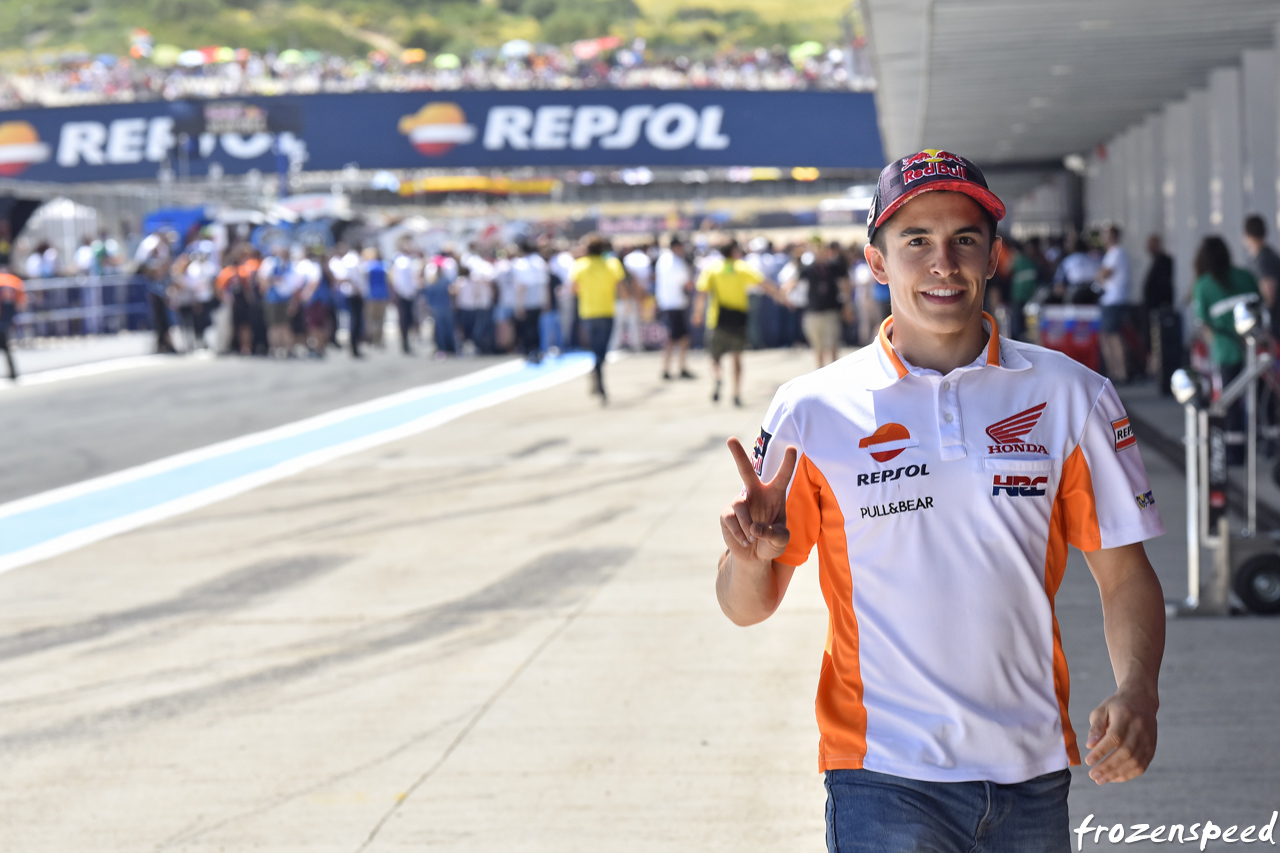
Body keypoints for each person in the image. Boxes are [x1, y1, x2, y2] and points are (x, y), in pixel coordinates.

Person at [717, 149, 1166, 853]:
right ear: (876, 261)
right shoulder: (812, 410)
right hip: (881, 775)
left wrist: (1138, 687)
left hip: (1033, 768)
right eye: (916, 241)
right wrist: (749, 558)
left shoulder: (1070, 394)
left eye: (964, 239)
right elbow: (748, 604)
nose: (942, 263)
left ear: (994, 257)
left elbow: (1123, 572)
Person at [1192, 235, 1260, 465]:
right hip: (1257, 350)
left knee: (1229, 402)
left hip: (1226, 351)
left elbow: (1204, 323)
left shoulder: (1203, 285)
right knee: (1262, 400)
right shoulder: (1246, 276)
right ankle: (1267, 444)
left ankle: (1234, 452)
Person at [694, 239, 763, 406]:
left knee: (714, 357)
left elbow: (702, 293)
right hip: (738, 319)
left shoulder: (712, 269)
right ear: (734, 252)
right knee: (737, 359)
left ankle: (718, 377)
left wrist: (697, 314)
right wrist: (780, 296)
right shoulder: (741, 268)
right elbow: (762, 283)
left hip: (717, 319)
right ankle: (736, 393)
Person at [570, 235, 626, 403]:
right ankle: (599, 377)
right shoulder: (611, 264)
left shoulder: (580, 266)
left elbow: (574, 289)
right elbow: (620, 286)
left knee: (596, 347)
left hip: (588, 311)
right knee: (603, 348)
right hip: (606, 310)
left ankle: (597, 373)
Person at [798, 240, 852, 369]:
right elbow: (797, 284)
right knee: (818, 346)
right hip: (813, 311)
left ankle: (833, 372)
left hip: (831, 310)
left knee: (833, 344)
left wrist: (847, 304)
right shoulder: (808, 269)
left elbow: (844, 284)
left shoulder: (834, 267)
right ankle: (820, 371)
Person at [655, 236, 696, 380]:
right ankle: (673, 368)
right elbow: (689, 284)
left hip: (666, 303)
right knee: (676, 338)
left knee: (677, 337)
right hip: (676, 304)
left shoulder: (663, 259)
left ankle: (674, 367)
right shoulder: (677, 263)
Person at [1096, 225, 1131, 384]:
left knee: (1113, 337)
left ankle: (1120, 372)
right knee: (1107, 337)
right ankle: (1114, 372)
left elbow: (1103, 274)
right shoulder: (1112, 254)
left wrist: (1100, 275)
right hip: (1110, 299)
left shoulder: (1116, 253)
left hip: (1114, 299)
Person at [1243, 214, 1280, 343]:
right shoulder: (1265, 257)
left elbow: (1268, 295)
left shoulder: (1264, 260)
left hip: (1274, 329)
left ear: (1246, 235)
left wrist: (1257, 322)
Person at [511, 241, 549, 363]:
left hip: (527, 299)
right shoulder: (540, 262)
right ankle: (537, 351)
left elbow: (522, 286)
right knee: (536, 326)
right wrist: (546, 301)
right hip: (539, 297)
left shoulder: (521, 263)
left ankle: (529, 351)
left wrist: (519, 305)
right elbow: (545, 284)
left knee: (527, 327)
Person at [390, 244, 422, 355]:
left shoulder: (404, 261)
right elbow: (402, 281)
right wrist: (406, 293)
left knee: (407, 319)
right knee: (405, 319)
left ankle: (406, 343)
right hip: (405, 295)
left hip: (406, 294)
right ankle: (405, 343)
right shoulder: (403, 262)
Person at [362, 247, 390, 350]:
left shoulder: (367, 266)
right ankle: (379, 339)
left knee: (371, 319)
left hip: (371, 296)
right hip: (382, 295)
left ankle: (373, 339)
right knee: (380, 319)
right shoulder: (383, 266)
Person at [0, 265, 25, 379]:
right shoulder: (15, 280)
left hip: (3, 316)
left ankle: (13, 373)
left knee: (5, 346)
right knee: (7, 346)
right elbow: (21, 302)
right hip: (8, 317)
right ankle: (13, 372)